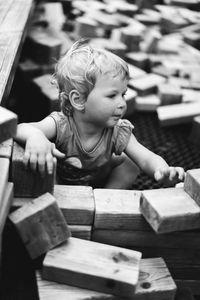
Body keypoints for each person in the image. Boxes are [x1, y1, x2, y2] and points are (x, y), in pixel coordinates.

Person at [15, 39, 185, 189]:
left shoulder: (118, 131)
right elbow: (20, 128)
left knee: (130, 161)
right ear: (79, 100)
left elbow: (146, 158)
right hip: (59, 182)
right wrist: (36, 137)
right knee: (40, 162)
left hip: (98, 179)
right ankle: (58, 197)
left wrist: (163, 171)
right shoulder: (61, 125)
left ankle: (109, 195)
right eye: (112, 96)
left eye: (123, 94)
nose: (122, 103)